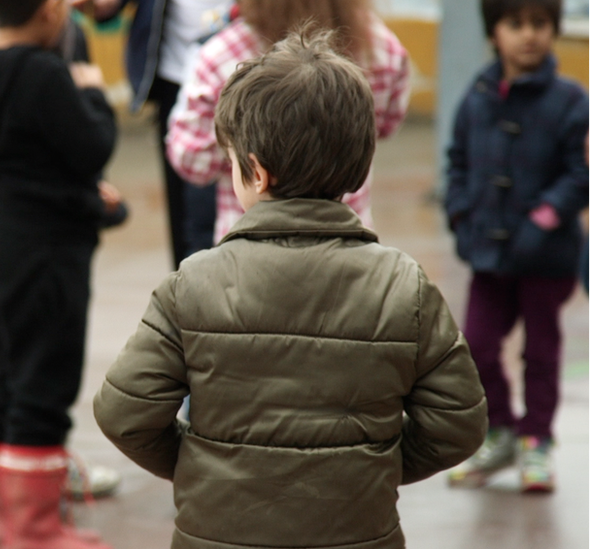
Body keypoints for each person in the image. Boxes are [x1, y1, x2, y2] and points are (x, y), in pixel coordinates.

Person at [94, 30, 488, 549]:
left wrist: (206, 468)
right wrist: (368, 469)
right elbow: (458, 422)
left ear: (254, 173)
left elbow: (124, 413)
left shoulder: (193, 284)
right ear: (360, 164)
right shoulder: (402, 286)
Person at [0, 0, 119, 546]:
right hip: (44, 251)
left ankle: (8, 520)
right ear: (47, 12)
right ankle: (36, 528)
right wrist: (91, 90)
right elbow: (92, 146)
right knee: (45, 378)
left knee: (4, 376)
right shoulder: (44, 72)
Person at [445, 0, 590, 493]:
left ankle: (537, 442)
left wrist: (544, 219)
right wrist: (461, 216)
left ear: (553, 30)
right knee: (477, 347)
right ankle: (501, 431)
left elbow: (580, 172)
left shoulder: (572, 100)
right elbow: (458, 160)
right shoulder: (478, 95)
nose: (529, 35)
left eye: (540, 24)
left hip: (546, 258)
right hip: (488, 255)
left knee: (542, 353)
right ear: (494, 33)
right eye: (516, 24)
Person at [166, 0, 409, 243]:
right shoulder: (380, 47)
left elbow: (191, 160)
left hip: (251, 246)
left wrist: (236, 148)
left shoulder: (222, 55)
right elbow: (387, 125)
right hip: (349, 241)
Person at [92, 0, 233, 268]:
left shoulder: (235, 43)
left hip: (235, 75)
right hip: (176, 77)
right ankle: (187, 290)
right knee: (187, 216)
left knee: (215, 212)